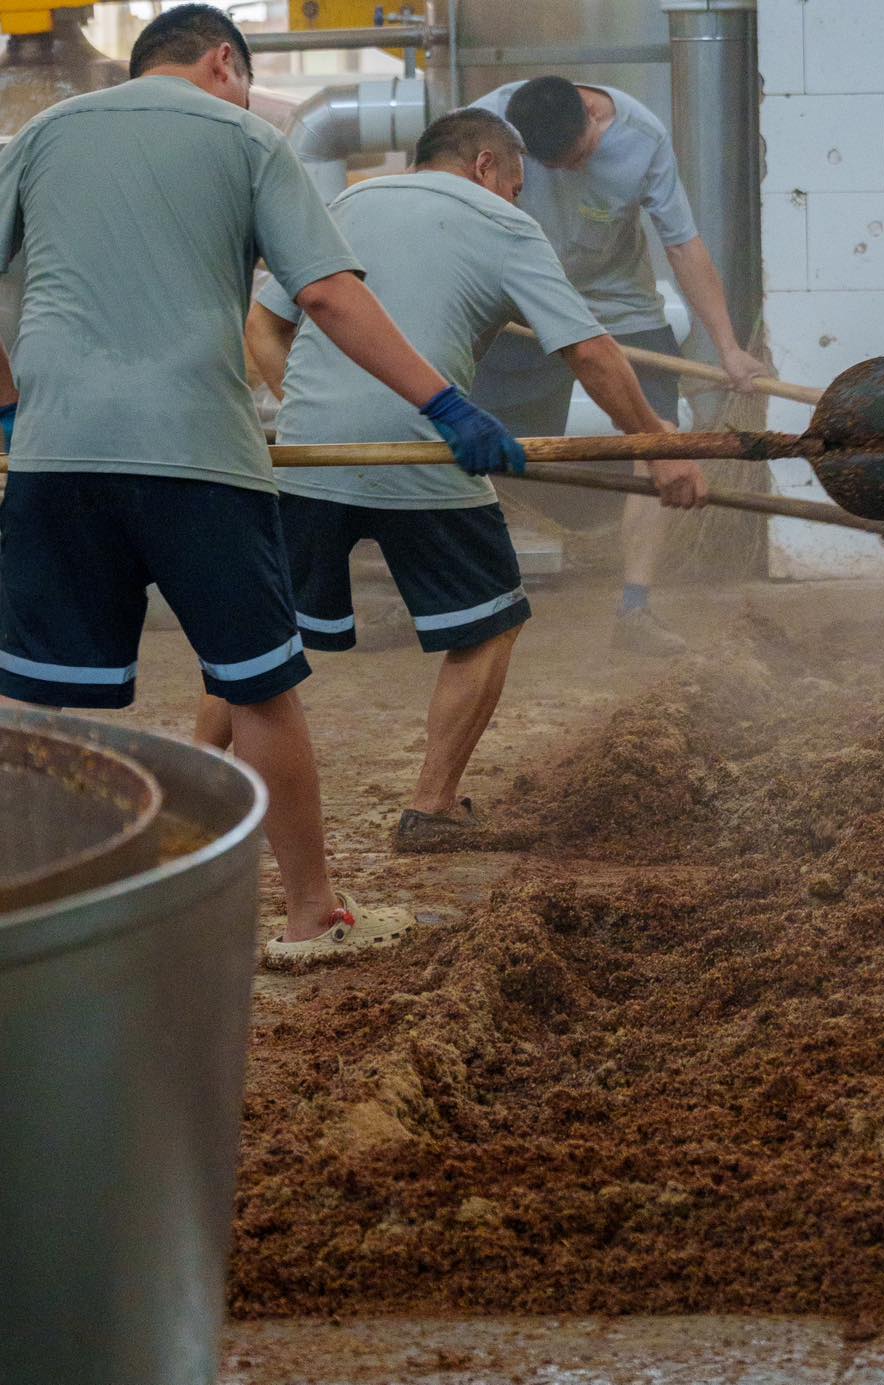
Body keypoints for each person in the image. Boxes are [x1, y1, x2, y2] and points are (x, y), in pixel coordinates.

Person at [0, 5, 525, 961]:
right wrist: (445, 404)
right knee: (259, 689)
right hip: (198, 456)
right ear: (223, 63)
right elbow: (325, 291)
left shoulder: (39, 136)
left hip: (54, 455)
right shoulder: (248, 135)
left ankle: (43, 919)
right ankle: (310, 913)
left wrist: (9, 410)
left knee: (41, 703)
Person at [196, 107, 706, 853]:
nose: (516, 200)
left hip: (310, 454)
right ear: (485, 167)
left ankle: (191, 789)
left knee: (255, 633)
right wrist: (659, 443)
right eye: (516, 185)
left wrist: (313, 407)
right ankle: (432, 807)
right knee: (492, 620)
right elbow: (591, 352)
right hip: (426, 449)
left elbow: (262, 327)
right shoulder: (505, 227)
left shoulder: (349, 201)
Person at [470, 75, 770, 657]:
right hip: (516, 306)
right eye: (548, 168)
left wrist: (728, 348)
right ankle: (471, 598)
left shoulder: (642, 138)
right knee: (472, 442)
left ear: (593, 115)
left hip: (618, 306)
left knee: (661, 443)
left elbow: (682, 244)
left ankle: (635, 607)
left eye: (578, 159)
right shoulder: (480, 125)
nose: (566, 174)